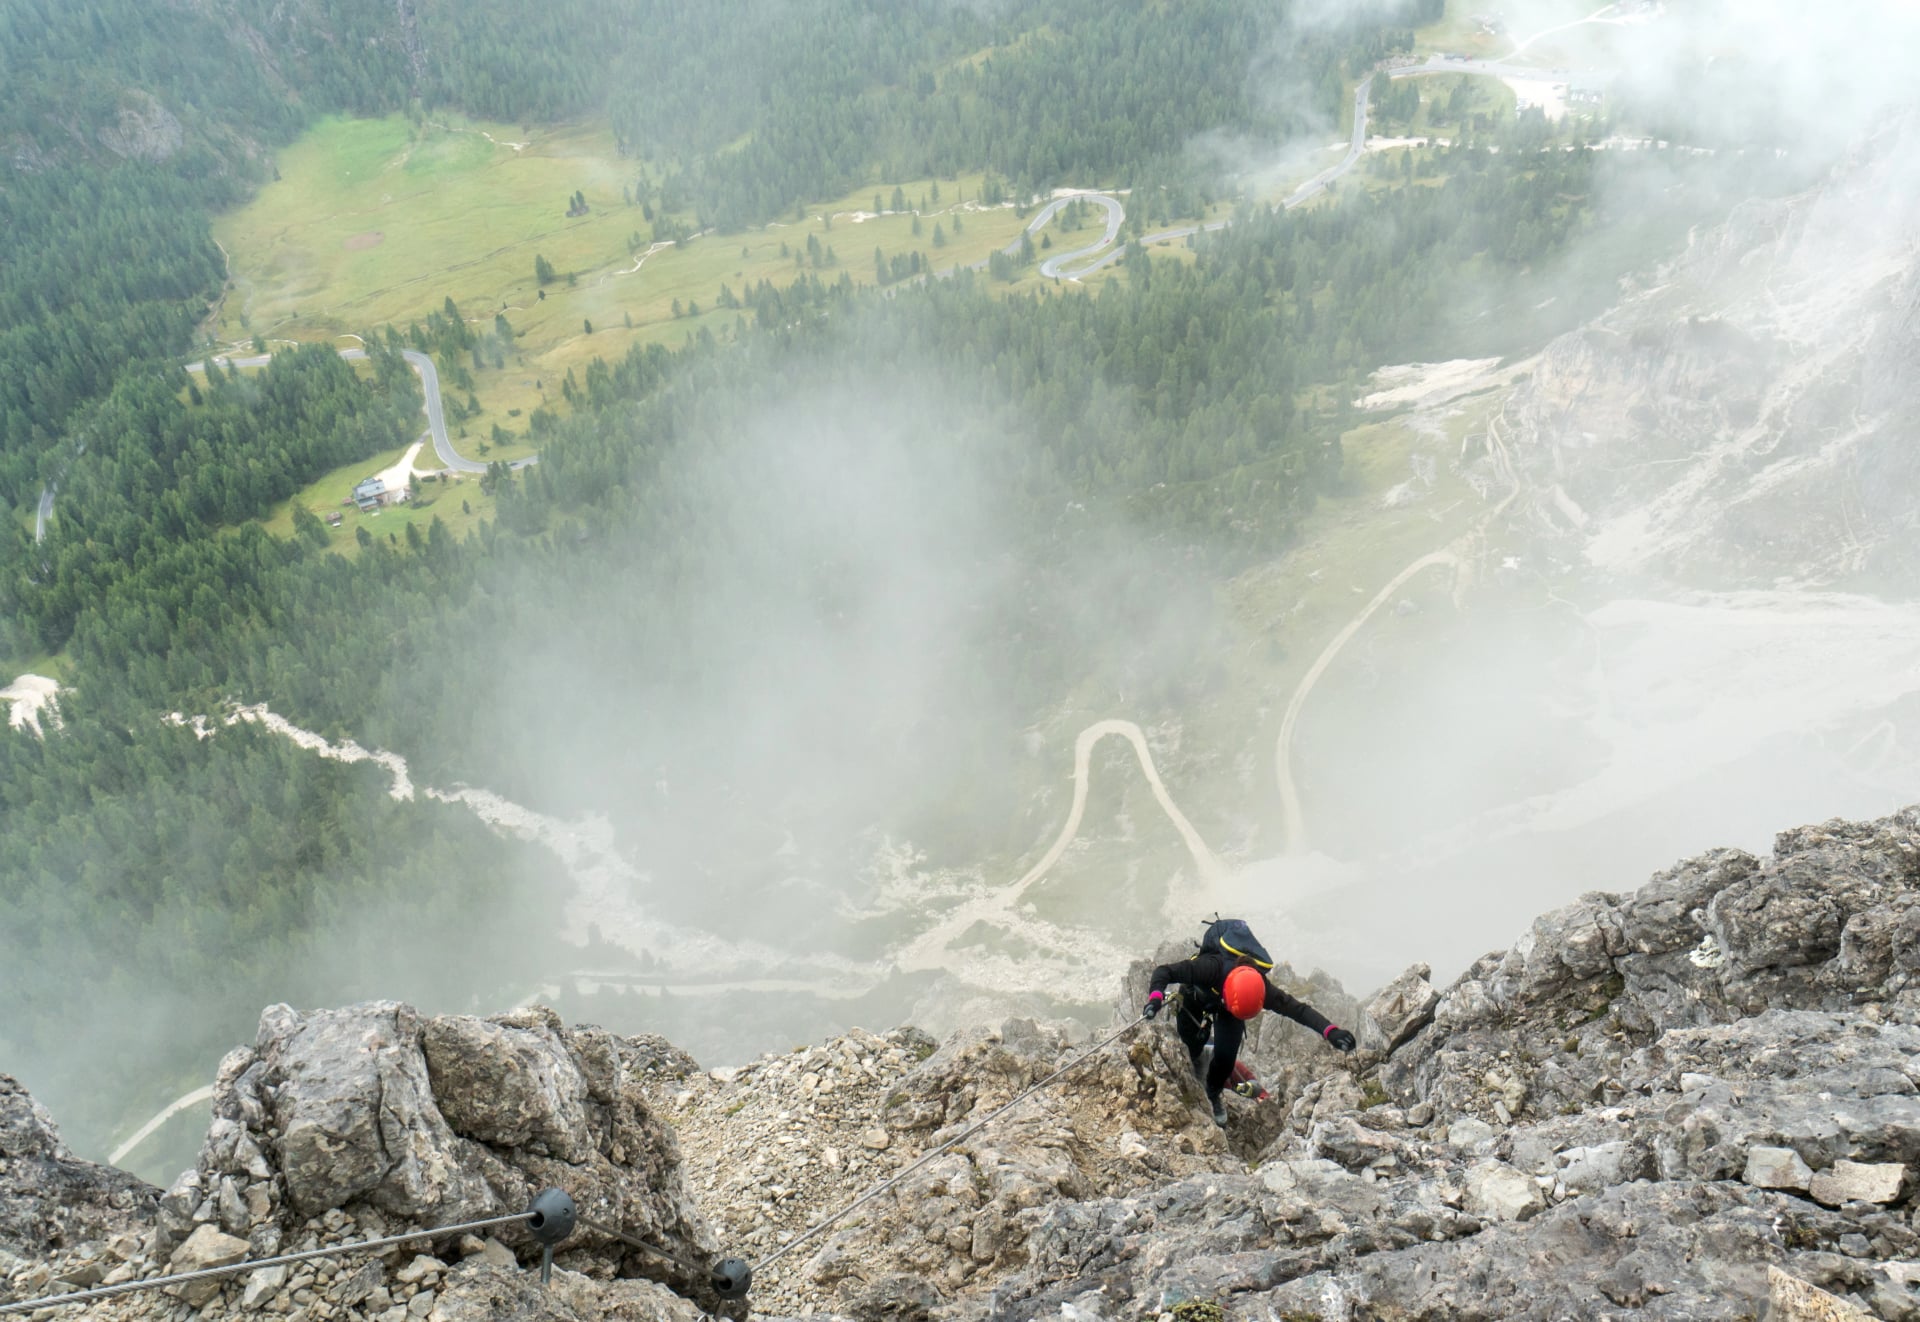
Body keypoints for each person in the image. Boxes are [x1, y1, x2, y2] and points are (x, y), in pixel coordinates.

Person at [1143, 921, 1356, 1127]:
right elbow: (1164, 972)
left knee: (1225, 1059)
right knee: (1190, 1043)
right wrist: (1155, 997)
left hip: (1232, 1010)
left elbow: (1297, 1010)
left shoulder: (1262, 989)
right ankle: (1198, 1055)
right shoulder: (1209, 968)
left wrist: (1330, 1031)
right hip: (1197, 996)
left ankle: (1213, 1093)